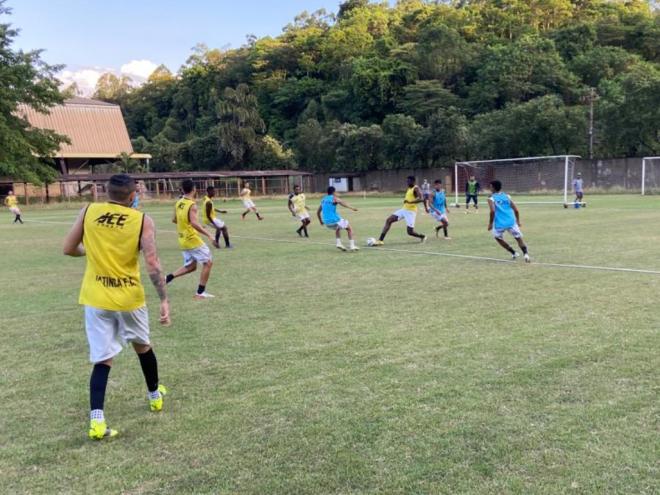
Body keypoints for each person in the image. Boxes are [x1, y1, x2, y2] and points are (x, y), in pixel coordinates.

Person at [62, 174, 170, 441]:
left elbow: (68, 248)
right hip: (128, 297)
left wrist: (92, 252)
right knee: (142, 345)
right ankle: (154, 395)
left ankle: (97, 420)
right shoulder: (142, 220)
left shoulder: (88, 210)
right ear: (133, 195)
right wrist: (164, 299)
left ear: (106, 193)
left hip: (95, 296)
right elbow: (153, 264)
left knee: (103, 359)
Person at [165, 179, 216, 299]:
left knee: (191, 266)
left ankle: (167, 278)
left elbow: (174, 220)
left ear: (183, 189)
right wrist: (209, 234)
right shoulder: (192, 205)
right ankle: (200, 292)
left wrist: (187, 223)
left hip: (182, 240)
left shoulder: (179, 202)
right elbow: (194, 223)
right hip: (192, 239)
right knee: (208, 262)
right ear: (194, 189)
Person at [373, 176, 427, 246]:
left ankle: (422, 236)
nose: (407, 182)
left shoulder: (416, 188)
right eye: (407, 181)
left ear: (413, 181)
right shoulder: (409, 188)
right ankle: (380, 240)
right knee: (389, 220)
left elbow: (422, 198)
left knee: (410, 232)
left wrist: (410, 202)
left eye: (408, 181)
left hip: (411, 212)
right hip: (404, 209)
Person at [488, 180, 530, 263]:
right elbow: (516, 210)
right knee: (518, 238)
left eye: (490, 186)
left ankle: (513, 253)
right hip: (511, 221)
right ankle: (526, 254)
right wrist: (518, 221)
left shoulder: (491, 198)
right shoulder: (507, 196)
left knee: (498, 237)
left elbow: (492, 211)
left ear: (492, 187)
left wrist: (490, 223)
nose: (489, 188)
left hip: (500, 223)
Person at [317, 186, 359, 252]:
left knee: (338, 228)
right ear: (334, 192)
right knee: (349, 228)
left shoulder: (323, 200)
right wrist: (352, 208)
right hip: (335, 220)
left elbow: (318, 212)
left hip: (327, 222)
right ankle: (352, 246)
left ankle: (339, 243)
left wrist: (321, 221)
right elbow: (343, 203)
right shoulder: (334, 198)